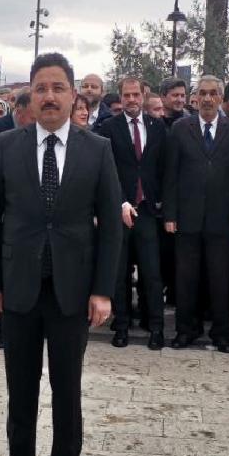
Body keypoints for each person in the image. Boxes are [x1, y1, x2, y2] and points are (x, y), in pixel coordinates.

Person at [0, 52, 122, 456]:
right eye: (41, 88)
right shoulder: (7, 145)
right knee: (19, 393)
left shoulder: (97, 148)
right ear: (31, 96)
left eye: (58, 88)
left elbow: (111, 228)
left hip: (71, 293)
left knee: (68, 392)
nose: (49, 96)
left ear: (73, 95)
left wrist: (102, 290)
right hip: (18, 290)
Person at [163, 75, 229, 351]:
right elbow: (170, 174)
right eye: (203, 93)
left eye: (213, 93)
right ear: (195, 98)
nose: (208, 99)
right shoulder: (179, 128)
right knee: (186, 279)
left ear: (221, 98)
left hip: (221, 219)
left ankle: (222, 333)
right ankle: (186, 329)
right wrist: (170, 215)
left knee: (220, 279)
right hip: (187, 218)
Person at [97, 76, 167, 349]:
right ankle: (122, 326)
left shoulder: (157, 127)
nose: (131, 100)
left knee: (152, 272)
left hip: (148, 211)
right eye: (126, 95)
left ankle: (157, 328)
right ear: (121, 97)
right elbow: (107, 171)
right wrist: (121, 201)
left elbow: (164, 167)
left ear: (143, 95)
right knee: (119, 272)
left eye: (136, 94)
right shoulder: (108, 128)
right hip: (119, 210)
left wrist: (161, 201)